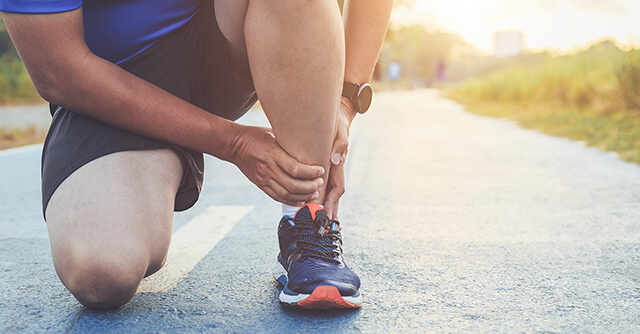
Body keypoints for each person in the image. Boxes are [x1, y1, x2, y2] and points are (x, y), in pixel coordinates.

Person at [0, 0, 392, 309]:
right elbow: (57, 70)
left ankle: (306, 219)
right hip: (110, 78)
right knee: (102, 271)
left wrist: (342, 103)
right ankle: (153, 150)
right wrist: (232, 143)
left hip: (218, 38)